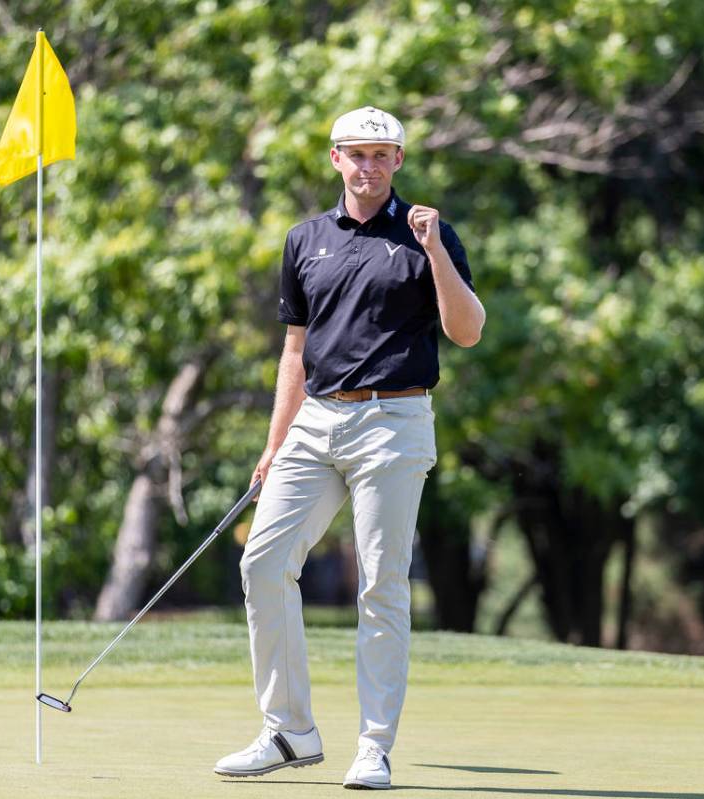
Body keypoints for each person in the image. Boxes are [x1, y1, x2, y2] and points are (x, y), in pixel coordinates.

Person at [213, 107, 485, 790]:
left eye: (381, 155)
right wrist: (275, 445)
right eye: (356, 154)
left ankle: (374, 747)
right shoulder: (306, 240)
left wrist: (435, 253)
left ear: (398, 161)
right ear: (336, 159)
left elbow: (468, 330)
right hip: (316, 421)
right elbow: (294, 354)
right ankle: (289, 730)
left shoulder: (430, 235)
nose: (368, 166)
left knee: (381, 584)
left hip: (394, 420)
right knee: (263, 562)